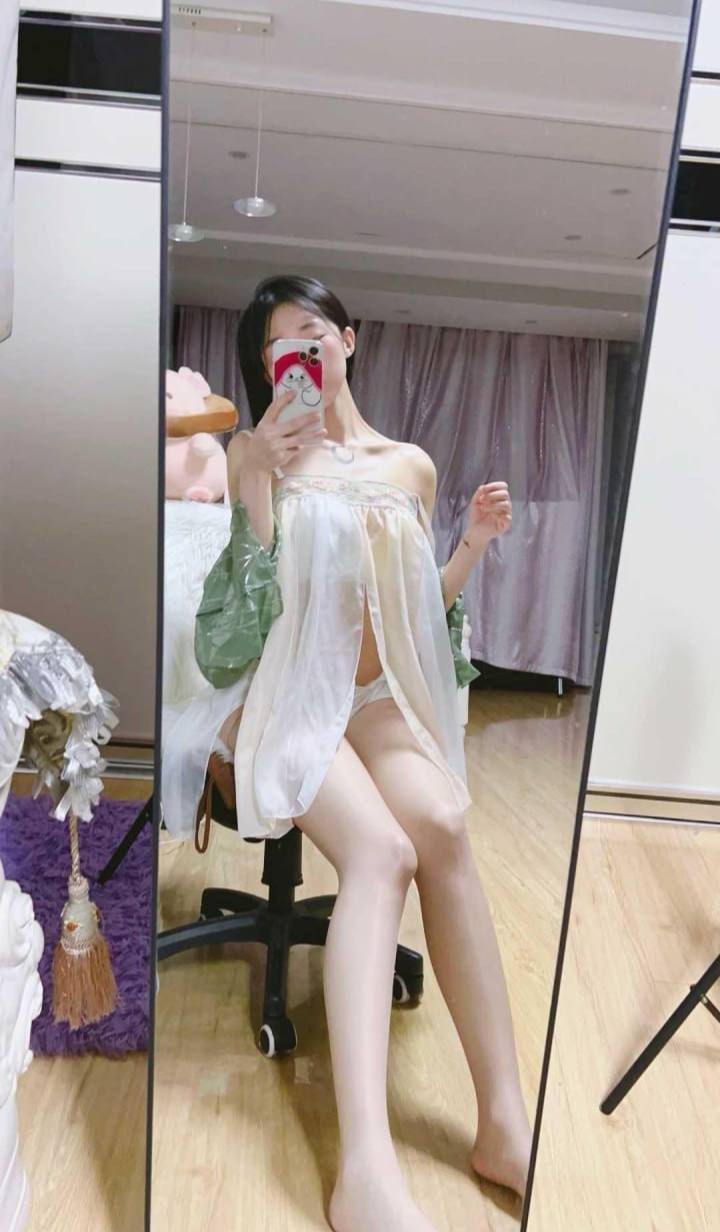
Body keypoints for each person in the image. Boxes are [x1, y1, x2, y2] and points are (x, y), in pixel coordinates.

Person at [163, 275, 531, 1232]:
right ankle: (363, 1169)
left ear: (348, 342)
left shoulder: (411, 468)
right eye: (278, 346)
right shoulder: (258, 455)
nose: (299, 353)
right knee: (382, 850)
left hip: (370, 698)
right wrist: (256, 478)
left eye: (313, 333)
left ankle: (504, 1119)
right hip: (284, 688)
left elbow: (418, 626)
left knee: (443, 822)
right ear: (267, 369)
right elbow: (236, 631)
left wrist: (472, 547)